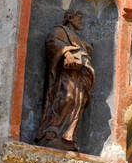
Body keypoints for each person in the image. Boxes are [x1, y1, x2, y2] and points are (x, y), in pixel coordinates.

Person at [35, 8, 95, 151]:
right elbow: (52, 43)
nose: (81, 21)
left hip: (80, 76)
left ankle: (68, 136)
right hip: (66, 74)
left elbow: (87, 50)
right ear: (70, 18)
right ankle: (51, 131)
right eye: (79, 17)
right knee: (66, 98)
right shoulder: (60, 31)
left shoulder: (79, 39)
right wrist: (66, 52)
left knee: (77, 102)